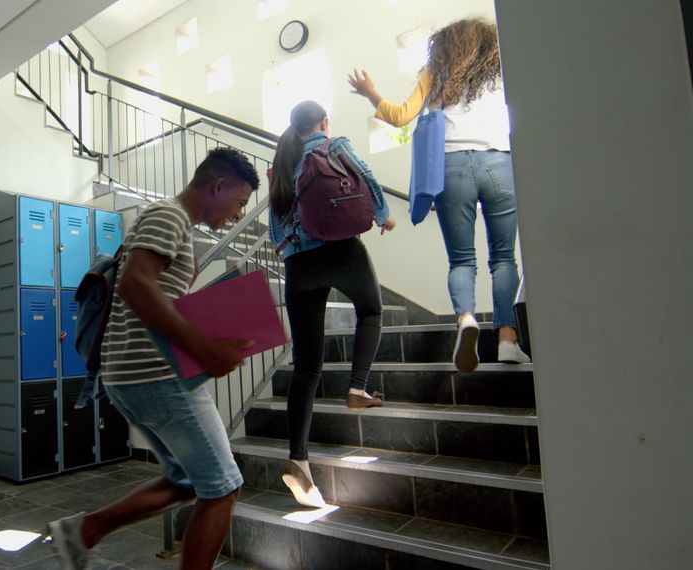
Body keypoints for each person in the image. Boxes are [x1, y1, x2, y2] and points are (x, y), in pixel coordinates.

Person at [48, 147, 258, 570]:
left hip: (134, 375)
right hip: (158, 377)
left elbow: (153, 291)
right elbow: (136, 287)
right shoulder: (169, 216)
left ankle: (84, 531)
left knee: (186, 480)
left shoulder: (173, 224)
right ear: (217, 186)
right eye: (239, 202)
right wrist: (203, 348)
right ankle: (86, 530)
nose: (238, 215)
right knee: (223, 487)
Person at [348, 17, 531, 371]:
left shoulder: (436, 72)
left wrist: (371, 92)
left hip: (450, 167)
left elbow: (401, 116)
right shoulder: (502, 66)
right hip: (498, 163)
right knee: (504, 258)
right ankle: (508, 339)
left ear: (445, 47)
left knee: (462, 259)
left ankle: (465, 320)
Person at [269, 100, 395, 508]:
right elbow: (367, 178)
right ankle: (357, 386)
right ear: (322, 122)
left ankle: (299, 461)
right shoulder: (333, 142)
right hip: (341, 251)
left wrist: (292, 248)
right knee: (371, 310)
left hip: (298, 264)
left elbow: (275, 225)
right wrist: (383, 214)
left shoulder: (282, 161)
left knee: (306, 365)